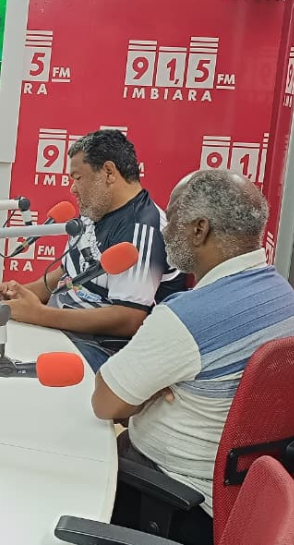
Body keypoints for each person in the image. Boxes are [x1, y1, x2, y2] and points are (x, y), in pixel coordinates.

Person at [91, 170, 294, 544]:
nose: (164, 231)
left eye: (171, 219)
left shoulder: (185, 318)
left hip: (167, 498)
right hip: (244, 498)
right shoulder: (284, 297)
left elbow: (106, 403)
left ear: (199, 229)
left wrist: (152, 387)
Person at [0, 129, 185, 371]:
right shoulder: (94, 211)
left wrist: (39, 315)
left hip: (102, 349)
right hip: (60, 329)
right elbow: (66, 274)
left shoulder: (143, 228)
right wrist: (21, 294)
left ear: (108, 172)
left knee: (10, 366)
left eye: (78, 178)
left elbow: (129, 318)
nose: (73, 189)